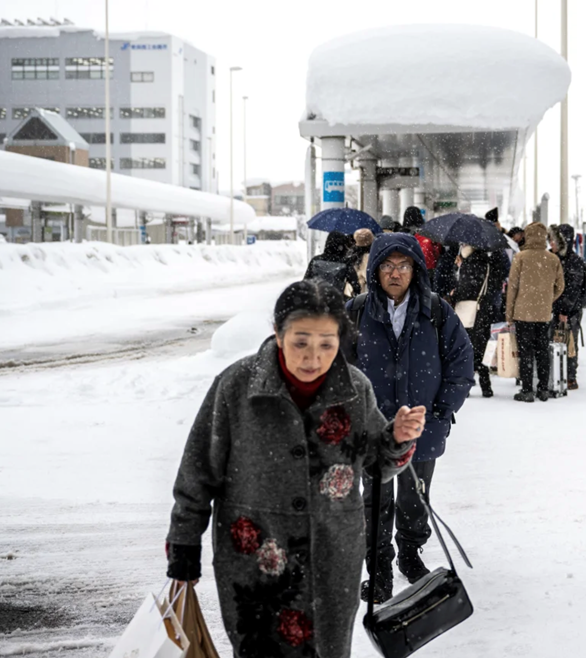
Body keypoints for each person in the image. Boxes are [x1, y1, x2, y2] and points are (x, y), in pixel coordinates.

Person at [165, 280, 425, 658]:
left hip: (334, 556)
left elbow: (377, 468)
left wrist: (397, 438)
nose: (313, 358)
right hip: (256, 563)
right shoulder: (236, 386)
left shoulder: (355, 389)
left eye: (327, 344)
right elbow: (197, 472)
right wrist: (184, 546)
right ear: (278, 332)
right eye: (300, 342)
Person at [347, 233, 474, 602]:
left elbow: (460, 363)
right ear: (375, 270)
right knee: (375, 500)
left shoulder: (436, 311)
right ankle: (380, 569)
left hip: (423, 427)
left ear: (415, 269)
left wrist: (440, 410)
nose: (395, 272)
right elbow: (338, 368)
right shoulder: (356, 311)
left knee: (415, 498)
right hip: (373, 431)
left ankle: (410, 553)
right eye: (387, 265)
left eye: (403, 265)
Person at [505, 222, 565, 403]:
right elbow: (560, 286)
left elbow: (512, 287)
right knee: (543, 351)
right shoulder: (553, 259)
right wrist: (548, 299)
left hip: (523, 313)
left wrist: (509, 314)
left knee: (526, 353)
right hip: (544, 313)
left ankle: (527, 390)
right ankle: (543, 390)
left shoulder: (520, 257)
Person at [452, 243, 505, 398]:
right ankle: (486, 385)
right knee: (481, 348)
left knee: (467, 349)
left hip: (470, 311)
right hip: (484, 310)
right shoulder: (486, 261)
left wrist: (454, 294)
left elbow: (467, 288)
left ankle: (467, 385)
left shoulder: (471, 262)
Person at [549, 224, 586, 391]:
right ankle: (556, 373)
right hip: (553, 308)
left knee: (569, 342)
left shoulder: (574, 262)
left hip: (569, 311)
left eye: (555, 241)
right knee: (554, 341)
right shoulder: (552, 257)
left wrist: (564, 311)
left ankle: (570, 376)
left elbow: (573, 290)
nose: (551, 244)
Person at [305, 231, 361, 298]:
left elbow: (305, 281)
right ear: (342, 245)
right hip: (335, 301)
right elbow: (356, 286)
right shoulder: (345, 263)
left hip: (316, 299)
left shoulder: (315, 260)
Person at [403, 206, 440, 274]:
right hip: (429, 269)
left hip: (408, 269)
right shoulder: (427, 234)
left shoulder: (402, 234)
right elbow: (437, 251)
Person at [347, 228, 374, 295]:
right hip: (363, 294)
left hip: (351, 292)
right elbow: (368, 278)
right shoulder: (369, 257)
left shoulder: (351, 256)